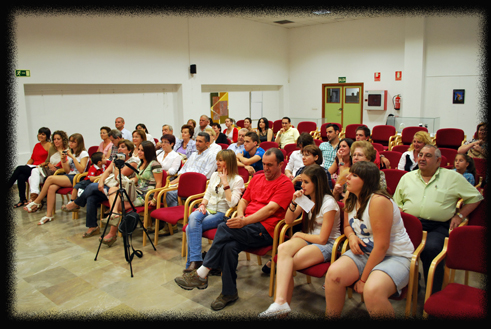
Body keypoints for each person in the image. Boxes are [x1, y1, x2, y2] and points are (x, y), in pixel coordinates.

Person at [174, 148, 294, 311]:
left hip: (266, 230)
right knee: (229, 247)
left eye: (270, 165)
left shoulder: (285, 184)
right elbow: (244, 201)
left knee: (224, 226)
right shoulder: (258, 178)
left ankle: (203, 271)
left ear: (281, 164)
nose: (265, 168)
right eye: (264, 164)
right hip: (247, 224)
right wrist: (240, 216)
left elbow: (270, 210)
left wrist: (244, 222)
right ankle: (229, 293)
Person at [325, 161, 414, 319]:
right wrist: (351, 236)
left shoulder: (378, 201)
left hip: (394, 255)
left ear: (367, 181)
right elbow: (346, 226)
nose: (348, 177)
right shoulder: (351, 197)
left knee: (372, 290)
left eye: (354, 175)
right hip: (365, 251)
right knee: (333, 275)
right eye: (350, 173)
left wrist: (364, 279)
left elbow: (382, 246)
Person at [393, 144, 483, 294]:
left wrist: (460, 215)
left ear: (438, 161)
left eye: (428, 156)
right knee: (394, 246)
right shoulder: (407, 178)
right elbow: (397, 202)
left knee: (431, 250)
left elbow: (476, 197)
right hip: (410, 224)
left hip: (437, 227)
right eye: (420, 155)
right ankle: (408, 283)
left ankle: (433, 292)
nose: (422, 158)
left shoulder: (452, 177)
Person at [260, 164, 340, 318]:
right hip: (310, 238)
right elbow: (288, 220)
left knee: (287, 264)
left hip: (328, 244)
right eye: (302, 181)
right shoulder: (308, 199)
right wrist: (294, 202)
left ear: (317, 183)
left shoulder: (328, 203)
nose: (301, 185)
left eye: (306, 182)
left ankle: (281, 308)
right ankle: (281, 302)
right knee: (283, 249)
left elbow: (323, 239)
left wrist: (300, 235)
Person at [181, 149, 245, 271]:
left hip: (223, 213)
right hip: (209, 209)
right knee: (193, 216)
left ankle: (192, 262)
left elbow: (232, 203)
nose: (217, 163)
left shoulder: (237, 180)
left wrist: (225, 182)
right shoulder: (215, 175)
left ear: (229, 162)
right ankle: (196, 261)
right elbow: (208, 194)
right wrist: (202, 205)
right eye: (217, 160)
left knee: (190, 228)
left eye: (221, 160)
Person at [63, 139, 139, 238]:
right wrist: (101, 183)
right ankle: (93, 227)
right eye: (119, 147)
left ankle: (76, 203)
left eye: (123, 147)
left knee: (91, 186)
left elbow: (118, 177)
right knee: (91, 197)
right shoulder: (116, 159)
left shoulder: (132, 162)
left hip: (119, 190)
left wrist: (117, 165)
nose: (119, 148)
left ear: (129, 151)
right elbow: (106, 172)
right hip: (109, 186)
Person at [101, 141, 163, 246]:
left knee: (119, 204)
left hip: (147, 194)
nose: (139, 152)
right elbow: (137, 178)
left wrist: (155, 199)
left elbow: (159, 183)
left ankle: (112, 232)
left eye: (142, 150)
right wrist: (128, 182)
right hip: (137, 190)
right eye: (138, 149)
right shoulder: (141, 163)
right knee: (112, 189)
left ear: (148, 151)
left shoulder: (155, 164)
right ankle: (114, 214)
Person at [25, 133, 89, 225]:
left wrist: (72, 157)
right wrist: (63, 160)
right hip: (70, 176)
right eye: (70, 141)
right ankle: (49, 215)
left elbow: (81, 170)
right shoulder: (70, 152)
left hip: (78, 178)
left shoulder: (83, 153)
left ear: (79, 143)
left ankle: (37, 201)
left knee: (50, 178)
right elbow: (67, 170)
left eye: (73, 142)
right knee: (51, 188)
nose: (71, 143)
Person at [163, 132, 218, 234]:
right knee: (168, 192)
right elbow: (182, 173)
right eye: (196, 141)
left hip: (200, 187)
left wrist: (184, 184)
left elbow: (205, 177)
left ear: (207, 143)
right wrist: (172, 184)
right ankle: (173, 224)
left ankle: (188, 223)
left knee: (173, 193)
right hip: (185, 185)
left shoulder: (212, 156)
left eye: (200, 141)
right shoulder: (193, 155)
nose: (196, 143)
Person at [9, 127, 51, 208]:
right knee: (21, 176)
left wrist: (41, 165)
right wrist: (26, 166)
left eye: (43, 134)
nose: (40, 136)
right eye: (39, 134)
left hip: (41, 168)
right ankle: (22, 200)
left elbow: (50, 160)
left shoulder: (49, 145)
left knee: (18, 168)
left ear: (47, 136)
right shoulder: (37, 145)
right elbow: (32, 159)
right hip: (32, 167)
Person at [26, 130, 69, 206]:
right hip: (49, 171)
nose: (56, 141)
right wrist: (49, 164)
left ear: (63, 140)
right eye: (54, 139)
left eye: (58, 139)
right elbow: (47, 161)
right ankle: (34, 197)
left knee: (32, 177)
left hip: (59, 173)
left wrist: (60, 150)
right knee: (34, 172)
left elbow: (65, 164)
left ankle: (35, 200)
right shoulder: (52, 148)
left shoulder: (67, 150)